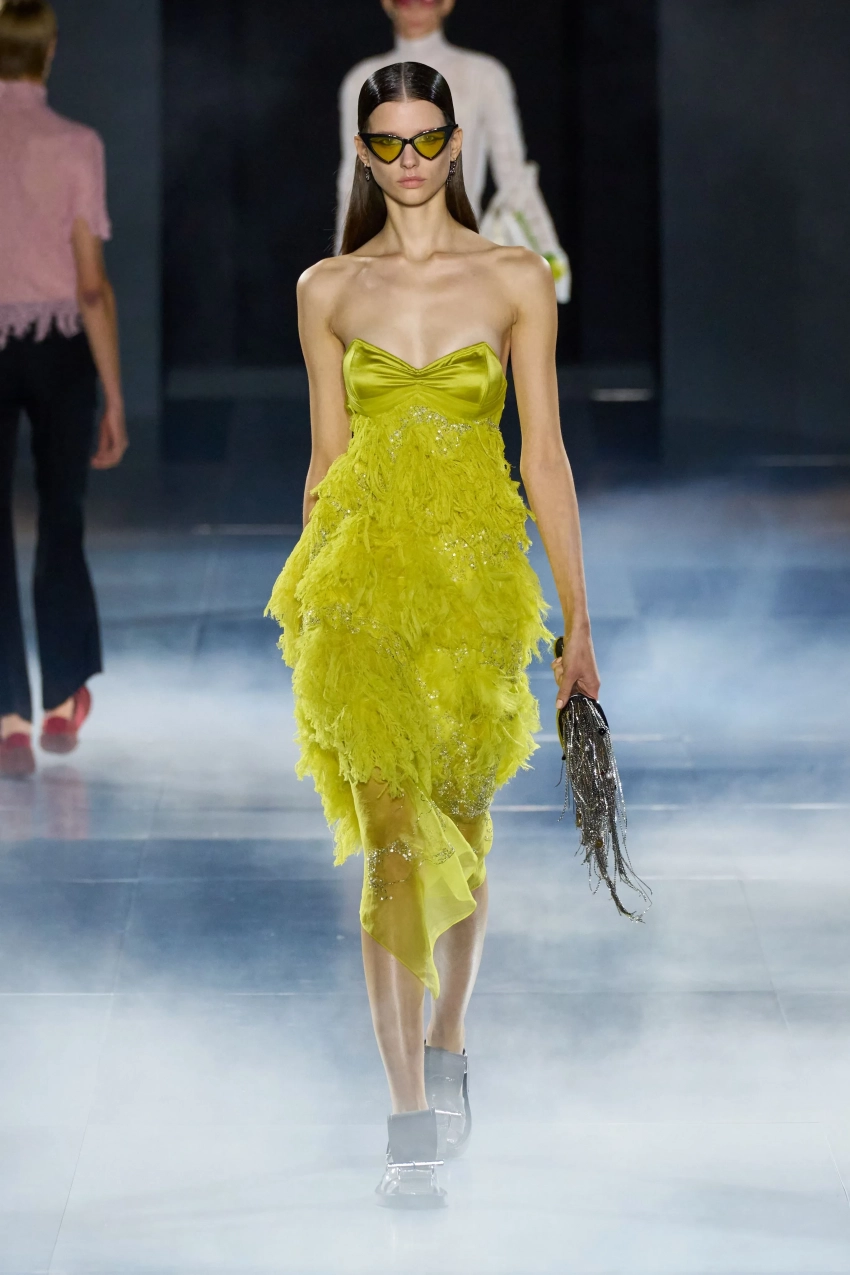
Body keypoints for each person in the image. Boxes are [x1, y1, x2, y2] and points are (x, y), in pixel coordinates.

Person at [267, 61, 598, 1207]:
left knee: (461, 830)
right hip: (361, 595)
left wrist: (578, 622)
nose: (407, 162)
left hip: (473, 597)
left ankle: (449, 1032)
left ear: (455, 145)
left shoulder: (514, 279)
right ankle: (407, 1118)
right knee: (394, 849)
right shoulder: (327, 288)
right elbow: (325, 462)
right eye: (386, 144)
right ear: (364, 153)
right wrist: (308, 608)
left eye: (424, 141)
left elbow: (542, 457)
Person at [0, 0, 126, 779]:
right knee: (61, 518)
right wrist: (114, 394)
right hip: (59, 351)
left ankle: (7, 715)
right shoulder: (77, 144)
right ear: (48, 53)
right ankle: (59, 699)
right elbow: (89, 288)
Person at [335, 0, 571, 300]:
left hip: (465, 259)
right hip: (383, 266)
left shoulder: (483, 75)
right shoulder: (362, 80)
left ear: (446, 4)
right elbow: (352, 177)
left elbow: (513, 175)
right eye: (406, 2)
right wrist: (344, 263)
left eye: (426, 1)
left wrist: (547, 252)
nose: (416, 10)